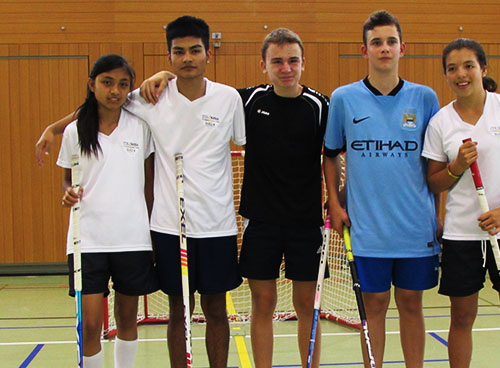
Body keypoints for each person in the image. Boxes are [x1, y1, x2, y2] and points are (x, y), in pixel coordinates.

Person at [36, 16, 246, 368]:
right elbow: (99, 105)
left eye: (195, 50)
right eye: (178, 52)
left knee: (216, 310)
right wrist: (53, 129)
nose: (187, 58)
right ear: (169, 56)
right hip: (166, 225)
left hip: (217, 224)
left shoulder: (228, 99)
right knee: (178, 312)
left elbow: (246, 143)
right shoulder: (150, 98)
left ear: (208, 53)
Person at [139, 27, 330, 368]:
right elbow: (192, 88)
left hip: (306, 221)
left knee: (306, 307)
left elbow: (334, 154)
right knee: (262, 303)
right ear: (263, 65)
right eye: (277, 61)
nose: (285, 68)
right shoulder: (245, 100)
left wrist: (338, 198)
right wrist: (163, 75)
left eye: (292, 61)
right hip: (260, 220)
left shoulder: (320, 105)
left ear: (303, 63)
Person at [323, 10, 441, 368]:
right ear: (365, 50)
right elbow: (329, 156)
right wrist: (334, 201)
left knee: (410, 303)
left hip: (415, 226)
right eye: (377, 43)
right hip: (366, 227)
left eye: (391, 42)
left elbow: (435, 164)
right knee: (373, 306)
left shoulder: (425, 99)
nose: (384, 49)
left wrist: (440, 214)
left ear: (403, 48)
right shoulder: (344, 99)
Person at [422, 38, 500, 368]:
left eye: (468, 66)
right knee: (462, 317)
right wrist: (456, 167)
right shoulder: (440, 122)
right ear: (445, 75)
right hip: (463, 234)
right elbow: (433, 182)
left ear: (483, 69)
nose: (461, 74)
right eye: (452, 68)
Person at [56, 54, 158, 368]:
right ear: (92, 84)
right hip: (87, 240)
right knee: (89, 324)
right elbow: (67, 179)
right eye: (107, 82)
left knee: (126, 319)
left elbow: (149, 185)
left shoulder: (141, 127)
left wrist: (149, 230)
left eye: (123, 84)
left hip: (132, 239)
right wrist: (68, 194)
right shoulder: (75, 131)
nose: (115, 90)